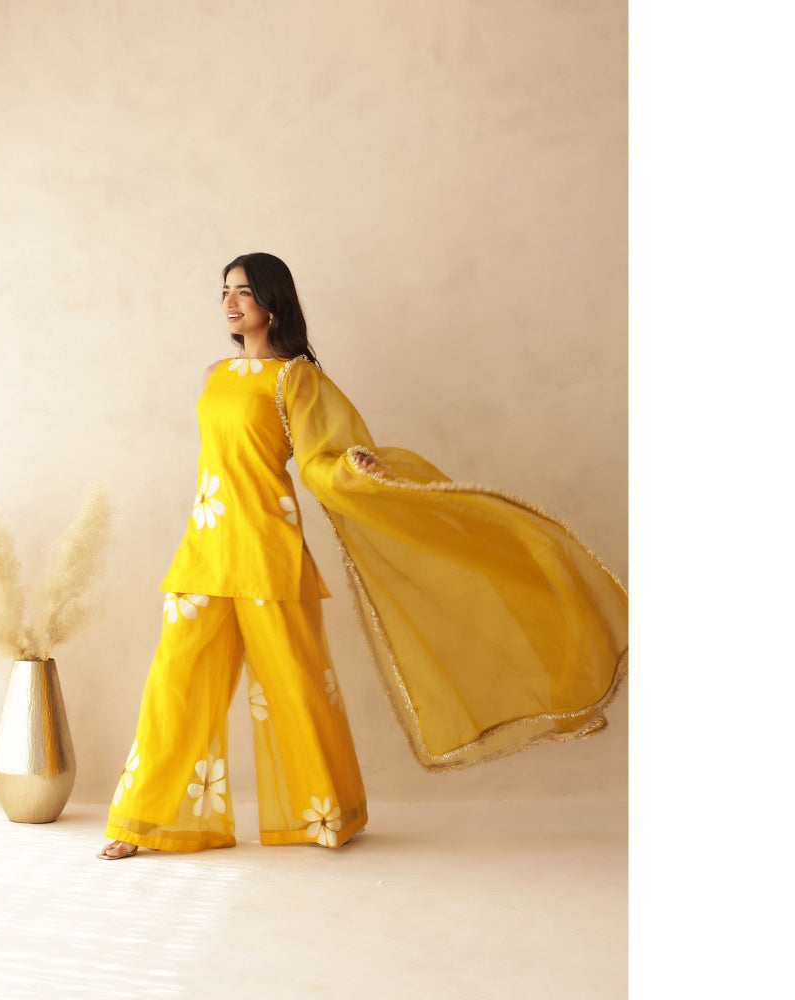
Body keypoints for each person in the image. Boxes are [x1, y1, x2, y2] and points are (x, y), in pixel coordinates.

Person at [97, 252, 628, 860]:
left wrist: (355, 467)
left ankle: (325, 815)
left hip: (268, 550)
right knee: (173, 686)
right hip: (204, 549)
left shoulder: (294, 378)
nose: (230, 302)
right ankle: (142, 822)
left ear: (272, 301)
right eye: (225, 291)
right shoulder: (215, 375)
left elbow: (319, 461)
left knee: (294, 686)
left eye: (243, 291)